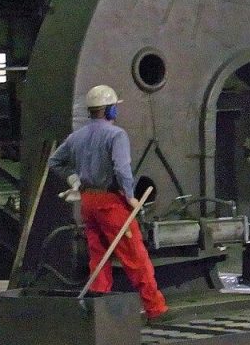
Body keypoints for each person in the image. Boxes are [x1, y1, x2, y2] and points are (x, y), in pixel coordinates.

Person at [48, 84, 168, 320]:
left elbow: (55, 161)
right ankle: (155, 309)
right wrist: (130, 196)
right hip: (111, 204)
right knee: (135, 258)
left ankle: (98, 310)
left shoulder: (77, 136)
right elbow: (122, 168)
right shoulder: (116, 135)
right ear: (111, 111)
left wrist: (74, 179)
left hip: (88, 202)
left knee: (98, 256)